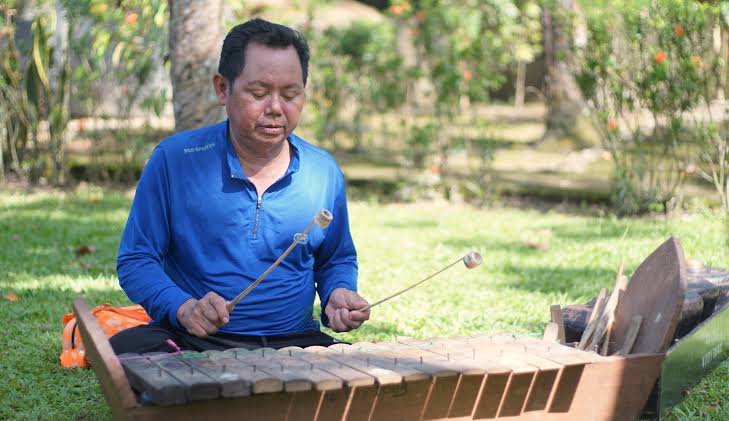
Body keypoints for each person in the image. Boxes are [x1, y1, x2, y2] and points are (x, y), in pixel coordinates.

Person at [110, 18, 370, 354]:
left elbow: (335, 259)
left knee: (363, 382)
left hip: (295, 344)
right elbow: (136, 259)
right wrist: (183, 308)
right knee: (129, 352)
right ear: (222, 88)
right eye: (258, 93)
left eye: (291, 94)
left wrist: (338, 292)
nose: (276, 109)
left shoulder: (323, 171)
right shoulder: (175, 160)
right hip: (196, 340)